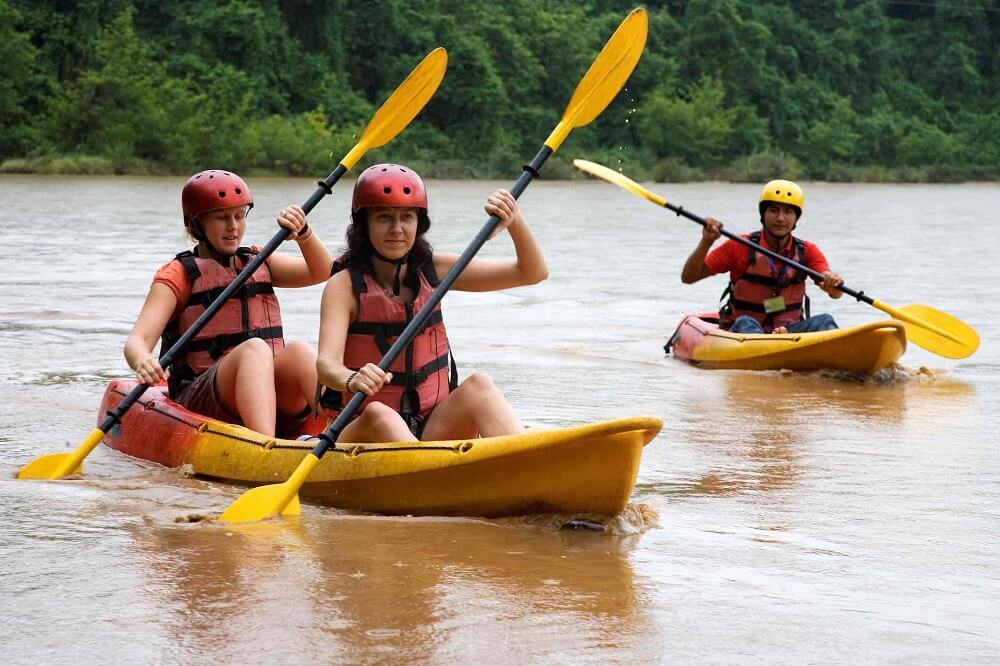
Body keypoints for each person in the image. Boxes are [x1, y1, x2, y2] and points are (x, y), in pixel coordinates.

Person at [316, 163, 548, 444]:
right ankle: (427, 479)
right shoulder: (343, 286)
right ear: (364, 224)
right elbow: (326, 365)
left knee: (479, 386)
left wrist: (514, 220)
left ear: (419, 223)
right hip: (360, 430)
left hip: (429, 426)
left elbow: (532, 273)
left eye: (407, 217)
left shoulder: (435, 270)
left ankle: (521, 461)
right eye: (384, 217)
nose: (397, 229)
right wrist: (352, 379)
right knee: (381, 413)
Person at [124, 169, 334, 436]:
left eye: (238, 216)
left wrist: (304, 235)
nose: (233, 227)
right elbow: (137, 341)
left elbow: (323, 271)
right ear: (196, 225)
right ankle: (264, 447)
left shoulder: (258, 260)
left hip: (269, 393)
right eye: (221, 218)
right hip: (203, 396)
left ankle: (345, 431)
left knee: (300, 352)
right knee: (255, 350)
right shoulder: (178, 274)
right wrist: (143, 361)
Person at [680, 179, 844, 334]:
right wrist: (706, 242)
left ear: (796, 218)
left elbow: (834, 293)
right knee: (745, 322)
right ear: (763, 214)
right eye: (773, 210)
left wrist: (832, 282)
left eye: (788, 212)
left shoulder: (807, 250)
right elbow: (688, 277)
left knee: (825, 321)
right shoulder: (739, 245)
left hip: (789, 332)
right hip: (743, 332)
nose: (780, 218)